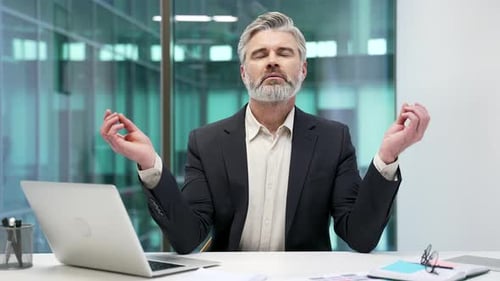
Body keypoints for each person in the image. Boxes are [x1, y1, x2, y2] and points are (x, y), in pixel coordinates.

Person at [100, 11, 430, 254]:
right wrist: (149, 164)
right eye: (260, 55)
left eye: (284, 53)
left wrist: (387, 157)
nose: (272, 61)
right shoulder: (207, 141)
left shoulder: (333, 139)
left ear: (302, 69)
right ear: (244, 73)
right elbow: (188, 238)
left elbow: (359, 237)